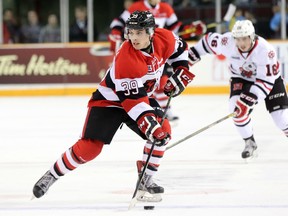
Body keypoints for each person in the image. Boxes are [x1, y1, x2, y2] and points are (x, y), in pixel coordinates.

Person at [32, 11, 194, 202]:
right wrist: (151, 126)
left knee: (164, 129)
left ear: (151, 32)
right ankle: (52, 175)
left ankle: (146, 178)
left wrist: (181, 70)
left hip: (140, 96)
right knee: (90, 148)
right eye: (130, 32)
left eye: (138, 32)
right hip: (110, 100)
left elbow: (181, 49)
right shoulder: (127, 58)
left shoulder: (164, 37)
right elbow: (132, 102)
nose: (133, 37)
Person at [188, 20, 288, 159]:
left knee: (281, 119)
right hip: (241, 78)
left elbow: (265, 81)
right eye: (238, 39)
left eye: (245, 38)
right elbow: (207, 41)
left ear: (252, 36)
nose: (241, 43)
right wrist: (191, 56)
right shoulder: (226, 41)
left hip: (269, 80)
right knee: (235, 109)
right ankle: (249, 142)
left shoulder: (265, 50)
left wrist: (249, 99)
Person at [109, 0, 206, 121]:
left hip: (157, 49)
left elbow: (176, 28)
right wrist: (116, 34)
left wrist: (191, 30)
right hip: (138, 51)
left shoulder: (166, 8)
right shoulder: (137, 7)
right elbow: (118, 22)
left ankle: (165, 110)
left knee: (162, 81)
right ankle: (146, 110)